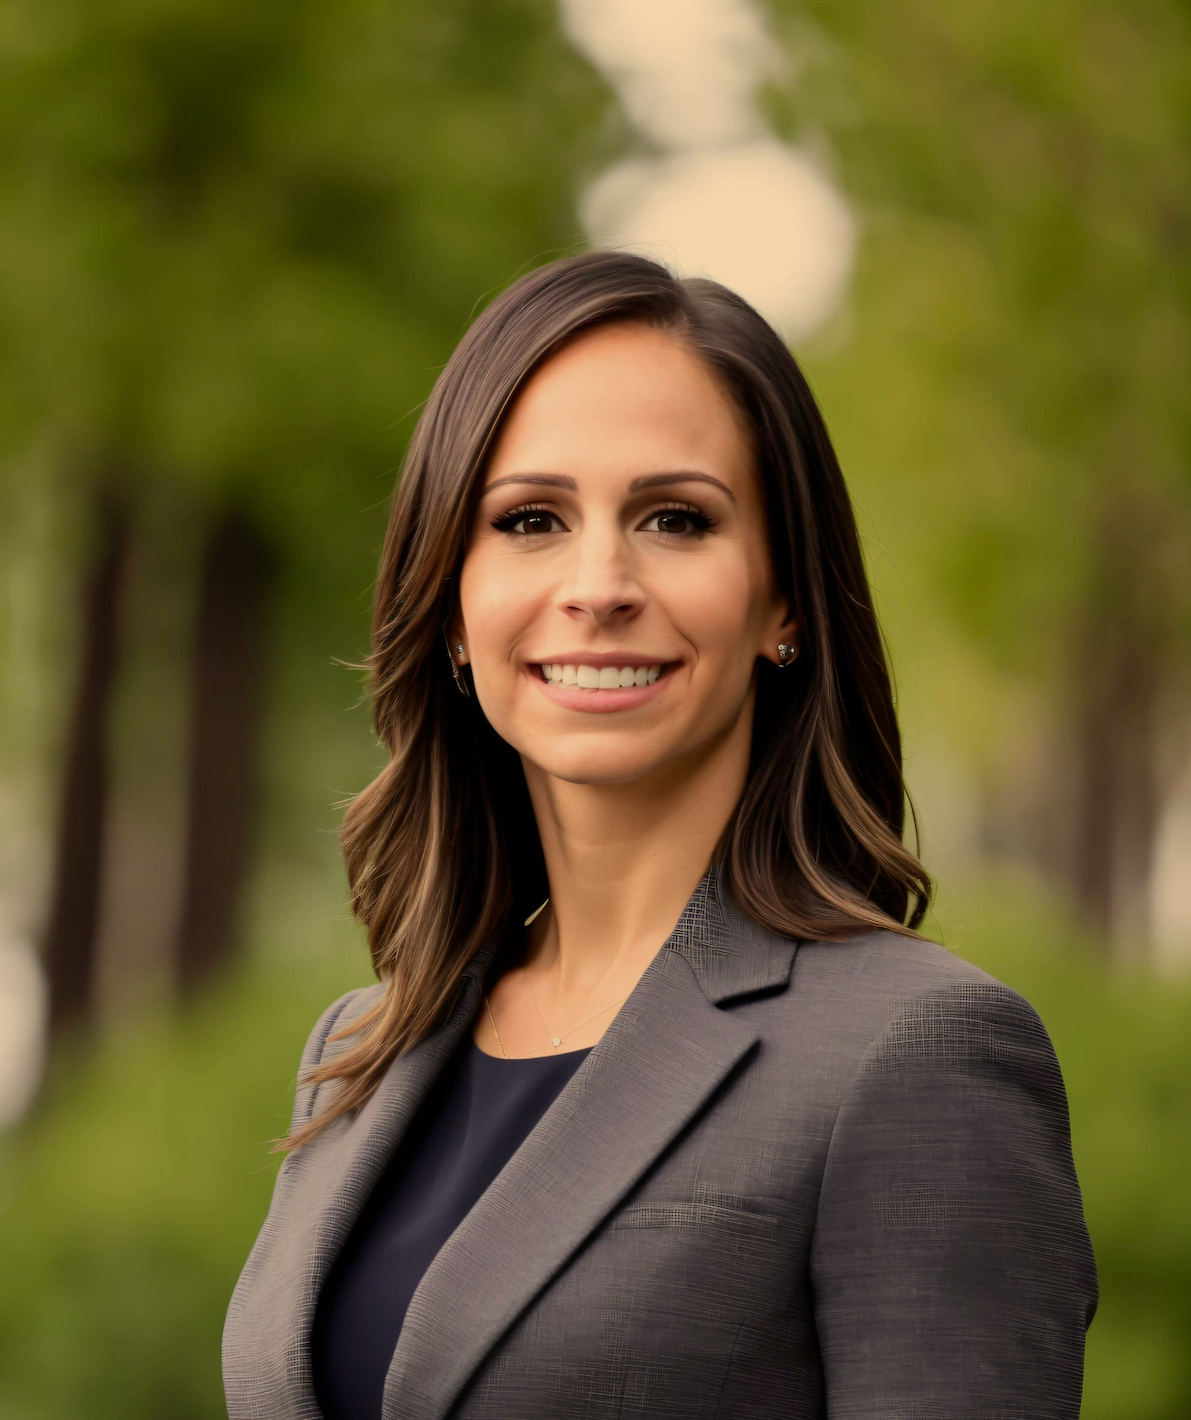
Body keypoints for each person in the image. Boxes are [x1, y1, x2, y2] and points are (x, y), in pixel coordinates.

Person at [222, 251, 1098, 1420]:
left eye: (674, 519)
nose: (598, 583)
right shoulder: (363, 1045)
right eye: (528, 518)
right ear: (450, 601)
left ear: (780, 600)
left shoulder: (915, 1051)